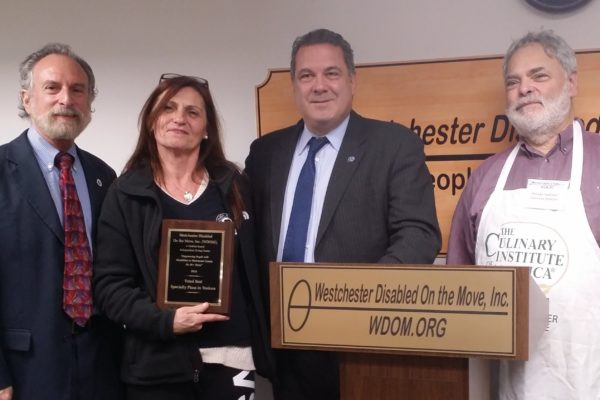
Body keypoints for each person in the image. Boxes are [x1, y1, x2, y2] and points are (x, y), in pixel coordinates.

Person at [245, 28, 441, 400]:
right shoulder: (264, 153)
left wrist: (360, 307)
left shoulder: (394, 145)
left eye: (331, 73)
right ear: (294, 85)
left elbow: (418, 235)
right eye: (307, 75)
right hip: (281, 347)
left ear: (352, 80)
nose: (319, 86)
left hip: (360, 347)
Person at [93, 74, 273, 399]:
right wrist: (166, 321)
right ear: (152, 121)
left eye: (193, 112)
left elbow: (257, 270)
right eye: (168, 108)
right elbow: (110, 287)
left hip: (233, 359)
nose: (179, 118)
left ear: (206, 128)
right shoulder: (125, 194)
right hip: (156, 366)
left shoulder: (235, 185)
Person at [447, 30, 600, 399]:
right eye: (513, 82)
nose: (525, 88)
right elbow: (458, 289)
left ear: (572, 82)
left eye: (539, 76)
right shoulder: (484, 178)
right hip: (505, 386)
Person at [0, 44, 123, 400]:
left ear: (89, 103)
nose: (65, 99)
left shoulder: (104, 176)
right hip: (24, 369)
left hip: (101, 364)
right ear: (27, 99)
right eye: (52, 88)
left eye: (78, 89)